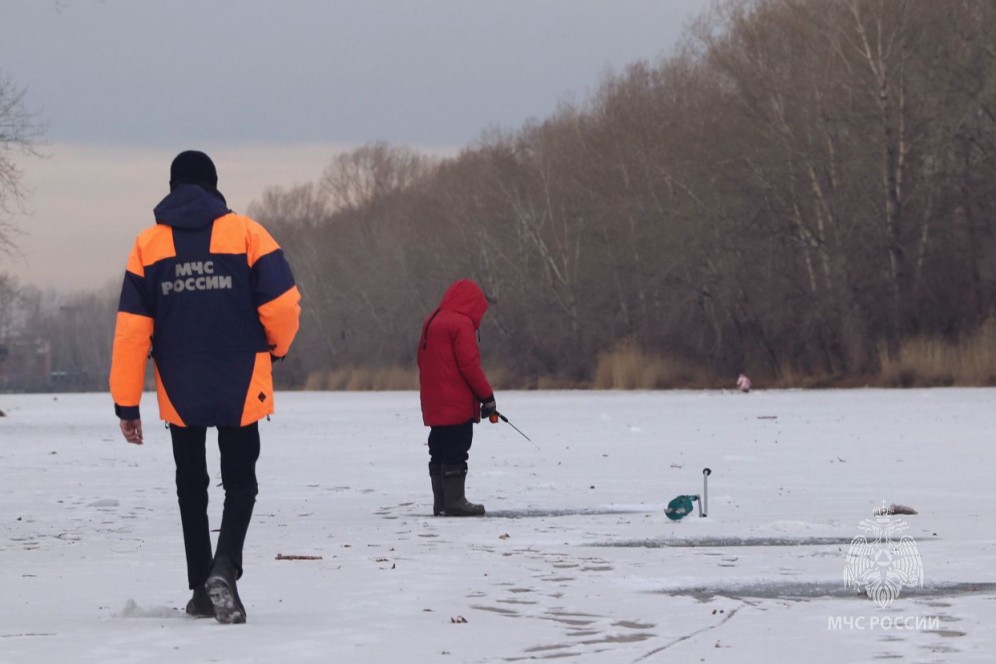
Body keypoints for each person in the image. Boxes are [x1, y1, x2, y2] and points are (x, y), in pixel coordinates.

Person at [110, 150, 301, 624]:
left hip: (179, 381)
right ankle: (225, 569)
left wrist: (126, 403)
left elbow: (132, 330)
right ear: (214, 186)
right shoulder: (248, 233)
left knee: (190, 484)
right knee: (241, 481)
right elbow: (283, 304)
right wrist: (275, 348)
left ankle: (201, 588)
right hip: (242, 378)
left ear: (172, 187)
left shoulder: (147, 245)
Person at [417, 279, 496, 517]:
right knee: (456, 448)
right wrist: (487, 397)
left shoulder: (433, 319)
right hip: (456, 402)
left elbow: (421, 359)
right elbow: (469, 366)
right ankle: (455, 502)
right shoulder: (461, 324)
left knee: (438, 448)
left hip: (434, 400)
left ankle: (441, 501)